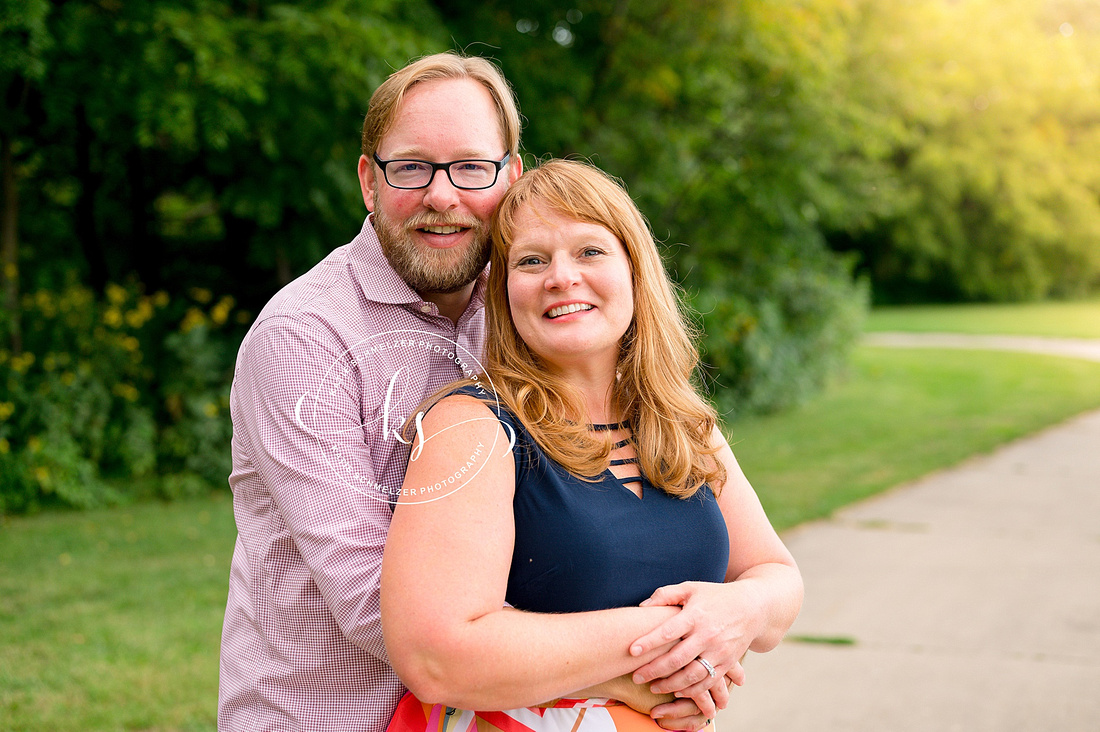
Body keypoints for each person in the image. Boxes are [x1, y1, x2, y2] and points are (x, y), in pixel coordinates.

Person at [219, 52, 728, 732]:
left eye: (470, 167)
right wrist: (643, 665)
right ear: (369, 180)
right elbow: (390, 610)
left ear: (510, 177)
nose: (442, 195)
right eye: (411, 168)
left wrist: (727, 615)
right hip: (333, 717)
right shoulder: (304, 340)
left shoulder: (529, 307)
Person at [381, 160, 804, 732]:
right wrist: (673, 640)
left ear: (635, 271)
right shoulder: (471, 427)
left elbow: (776, 576)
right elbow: (438, 656)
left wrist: (737, 611)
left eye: (589, 252)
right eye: (532, 260)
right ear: (505, 293)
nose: (561, 277)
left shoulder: (678, 421)